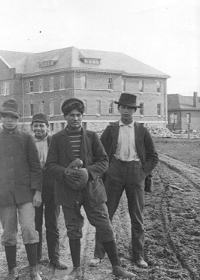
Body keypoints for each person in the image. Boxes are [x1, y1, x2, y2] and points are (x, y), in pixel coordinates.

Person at [45, 98, 136, 279]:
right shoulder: (56, 139)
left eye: (79, 115)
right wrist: (66, 172)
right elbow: (50, 166)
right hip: (68, 190)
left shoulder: (92, 136)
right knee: (73, 228)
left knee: (104, 225)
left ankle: (117, 267)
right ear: (65, 117)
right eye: (72, 115)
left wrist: (88, 172)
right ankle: (77, 268)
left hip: (92, 189)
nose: (76, 118)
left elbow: (104, 161)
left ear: (82, 116)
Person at [90, 93, 158, 269]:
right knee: (106, 215)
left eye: (130, 108)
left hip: (136, 172)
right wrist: (107, 170)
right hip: (114, 173)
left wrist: (143, 172)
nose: (126, 111)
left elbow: (153, 156)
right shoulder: (111, 129)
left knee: (137, 216)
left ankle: (138, 256)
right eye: (123, 107)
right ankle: (99, 254)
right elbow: (100, 154)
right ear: (118, 108)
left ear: (134, 110)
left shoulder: (142, 130)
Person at [0, 99, 43, 280]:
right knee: (9, 233)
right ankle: (12, 270)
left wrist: (37, 191)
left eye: (13, 117)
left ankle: (33, 268)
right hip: (4, 194)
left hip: (25, 194)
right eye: (6, 117)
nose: (10, 120)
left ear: (18, 118)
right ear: (2, 118)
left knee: (28, 229)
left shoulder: (26, 138)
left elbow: (35, 167)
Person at [31, 113, 67, 270]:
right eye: (36, 125)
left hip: (52, 187)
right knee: (35, 223)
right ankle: (36, 257)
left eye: (41, 125)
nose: (39, 128)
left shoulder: (54, 141)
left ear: (47, 126)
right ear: (32, 127)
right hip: (34, 188)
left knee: (52, 223)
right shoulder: (28, 142)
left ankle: (54, 258)